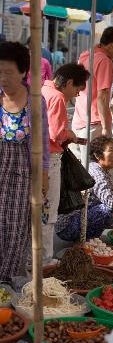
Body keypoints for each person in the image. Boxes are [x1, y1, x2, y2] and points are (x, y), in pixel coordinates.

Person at [0, 41, 49, 281]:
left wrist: (43, 178)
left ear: (22, 72)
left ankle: (6, 280)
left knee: (15, 229)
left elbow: (43, 142)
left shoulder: (36, 100)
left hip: (22, 174)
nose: (3, 78)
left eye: (8, 72)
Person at [55, 136, 113, 241]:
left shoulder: (97, 168)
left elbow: (110, 190)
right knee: (105, 210)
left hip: (75, 220)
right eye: (110, 151)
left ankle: (90, 239)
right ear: (97, 155)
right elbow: (111, 204)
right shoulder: (97, 174)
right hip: (67, 227)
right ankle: (84, 240)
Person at [42, 63, 89, 264]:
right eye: (77, 90)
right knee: (48, 212)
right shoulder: (58, 97)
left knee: (36, 210)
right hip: (50, 159)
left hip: (35, 157)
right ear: (69, 83)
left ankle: (33, 257)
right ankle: (44, 259)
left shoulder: (43, 90)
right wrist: (70, 134)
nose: (75, 96)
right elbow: (57, 134)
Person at [71, 26, 113, 167]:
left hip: (79, 119)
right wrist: (106, 127)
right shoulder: (104, 61)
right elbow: (102, 96)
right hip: (94, 122)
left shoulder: (86, 54)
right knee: (97, 168)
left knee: (81, 168)